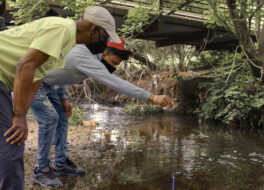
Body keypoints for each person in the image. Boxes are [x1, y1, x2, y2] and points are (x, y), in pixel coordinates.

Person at [0, 6, 121, 190]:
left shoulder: (67, 43)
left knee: (9, 140)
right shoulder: (62, 28)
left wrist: (23, 113)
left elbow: (36, 80)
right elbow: (25, 66)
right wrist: (19, 117)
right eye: (105, 38)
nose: (104, 45)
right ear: (94, 29)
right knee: (12, 143)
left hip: (4, 80)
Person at [30, 37, 173, 188]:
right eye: (114, 62)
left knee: (63, 117)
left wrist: (64, 98)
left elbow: (60, 72)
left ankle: (60, 165)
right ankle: (41, 170)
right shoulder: (85, 55)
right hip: (33, 79)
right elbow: (116, 83)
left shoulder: (93, 56)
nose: (114, 67)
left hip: (51, 84)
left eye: (117, 65)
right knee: (50, 119)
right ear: (104, 53)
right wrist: (151, 97)